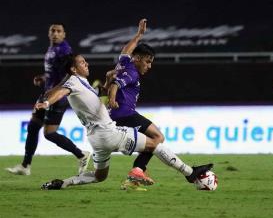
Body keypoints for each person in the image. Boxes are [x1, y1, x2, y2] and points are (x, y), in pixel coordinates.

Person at [36, 52, 213, 190]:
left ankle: (65, 183)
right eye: (82, 62)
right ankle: (190, 173)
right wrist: (46, 102)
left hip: (96, 139)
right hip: (109, 132)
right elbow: (61, 92)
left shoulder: (83, 84)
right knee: (154, 143)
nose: (86, 63)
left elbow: (100, 98)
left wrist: (106, 81)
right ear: (74, 69)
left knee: (100, 176)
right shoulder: (73, 82)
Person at [6, 23, 90, 176]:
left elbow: (71, 73)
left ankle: (82, 155)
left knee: (49, 134)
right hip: (46, 93)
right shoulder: (52, 49)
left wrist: (56, 90)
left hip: (57, 97)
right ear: (49, 33)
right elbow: (55, 73)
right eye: (53, 31)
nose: (56, 34)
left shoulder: (65, 50)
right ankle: (25, 166)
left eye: (59, 31)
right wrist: (43, 78)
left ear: (64, 34)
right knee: (32, 127)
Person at [106, 19, 163, 186]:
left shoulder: (125, 62)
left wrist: (139, 35)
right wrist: (111, 99)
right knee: (157, 137)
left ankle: (136, 177)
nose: (149, 66)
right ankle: (137, 171)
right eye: (147, 61)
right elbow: (116, 84)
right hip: (125, 115)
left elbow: (125, 50)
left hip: (119, 115)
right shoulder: (132, 73)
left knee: (150, 141)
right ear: (137, 58)